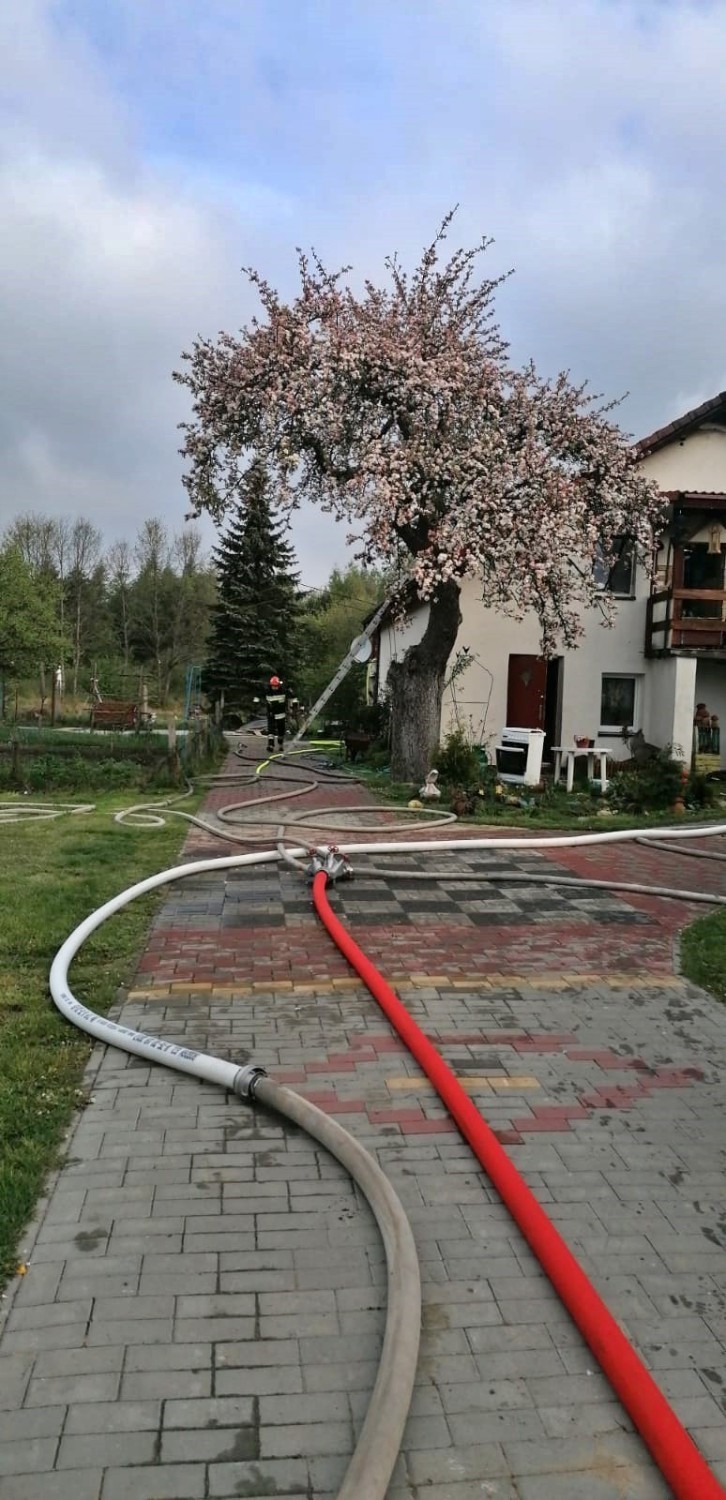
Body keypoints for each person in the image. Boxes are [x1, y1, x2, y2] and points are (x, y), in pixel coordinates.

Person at [265, 675, 291, 753]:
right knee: (271, 730)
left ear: (279, 685)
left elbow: (292, 697)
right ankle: (270, 745)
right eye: (273, 686)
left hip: (281, 714)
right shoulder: (267, 692)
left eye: (276, 686)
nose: (275, 688)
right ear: (270, 685)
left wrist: (293, 707)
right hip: (271, 714)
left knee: (281, 730)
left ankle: (280, 745)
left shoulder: (283, 691)